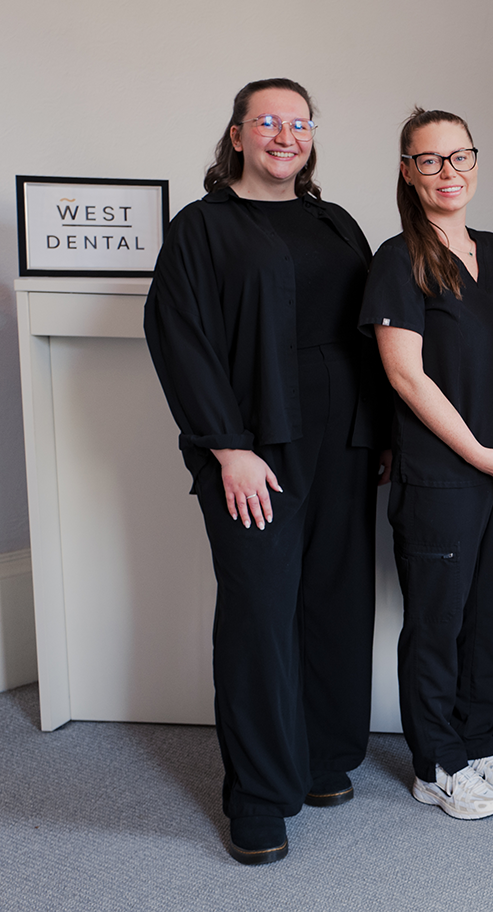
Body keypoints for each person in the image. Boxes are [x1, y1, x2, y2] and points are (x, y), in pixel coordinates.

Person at [144, 78, 386, 865]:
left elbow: (367, 335)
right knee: (259, 611)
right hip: (255, 447)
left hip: (344, 441)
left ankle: (319, 758)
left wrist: (377, 431)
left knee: (333, 602)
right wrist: (228, 447)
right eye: (268, 122)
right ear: (238, 135)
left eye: (299, 122)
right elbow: (181, 339)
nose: (286, 134)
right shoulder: (202, 228)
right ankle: (256, 794)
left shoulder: (335, 221)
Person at [360, 108, 493, 822]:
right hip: (442, 474)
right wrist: (477, 453)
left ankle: (477, 740)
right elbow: (406, 376)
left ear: (476, 162)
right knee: (438, 622)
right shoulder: (396, 257)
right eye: (431, 160)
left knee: (492, 615)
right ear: (407, 170)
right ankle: (437, 763)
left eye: (459, 157)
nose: (449, 172)